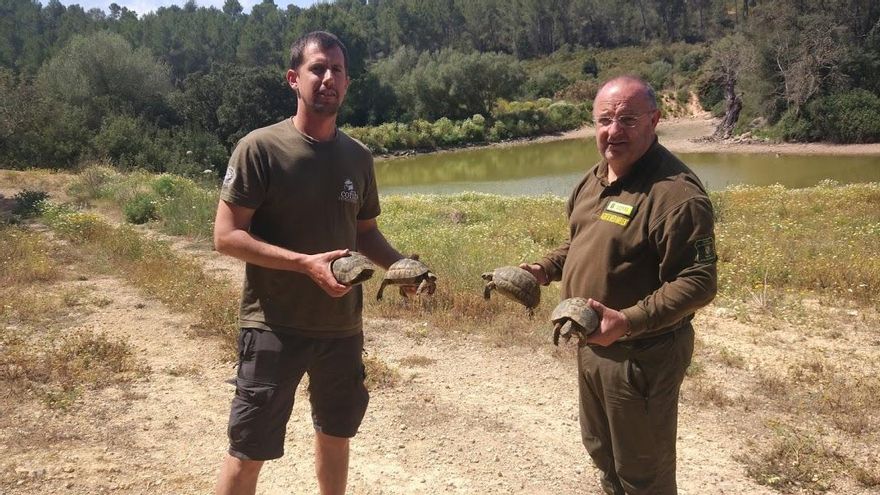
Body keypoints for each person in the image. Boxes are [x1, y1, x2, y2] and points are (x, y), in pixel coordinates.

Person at [213, 31, 412, 495]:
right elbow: (226, 236)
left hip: (342, 329)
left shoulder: (358, 157)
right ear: (293, 78)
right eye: (317, 68)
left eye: (337, 70)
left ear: (347, 82)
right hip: (273, 327)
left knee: (336, 437)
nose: (328, 78)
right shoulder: (260, 148)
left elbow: (365, 233)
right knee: (249, 450)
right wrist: (304, 264)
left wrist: (402, 268)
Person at [521, 76, 718, 494]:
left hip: (641, 354)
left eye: (628, 120)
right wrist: (542, 269)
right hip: (593, 344)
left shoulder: (676, 195)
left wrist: (626, 322)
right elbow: (580, 242)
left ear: (654, 120)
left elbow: (698, 281)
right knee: (603, 452)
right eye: (605, 120)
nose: (614, 131)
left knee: (644, 472)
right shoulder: (594, 180)